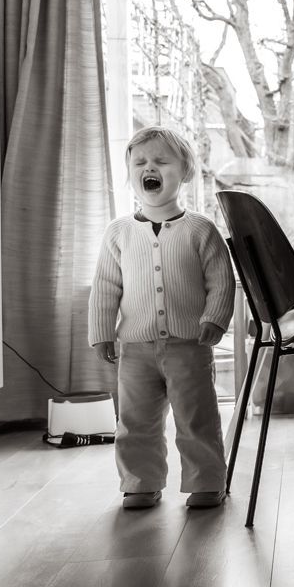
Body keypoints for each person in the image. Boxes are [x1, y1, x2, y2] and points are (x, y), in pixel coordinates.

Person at [88, 126, 235, 510]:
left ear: (184, 172)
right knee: (135, 422)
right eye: (140, 162)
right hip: (135, 348)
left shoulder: (200, 229)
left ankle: (206, 481)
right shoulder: (118, 232)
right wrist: (102, 333)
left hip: (190, 344)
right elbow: (105, 286)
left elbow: (222, 280)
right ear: (131, 174)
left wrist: (215, 319)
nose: (149, 167)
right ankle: (139, 482)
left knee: (197, 418)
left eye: (160, 161)